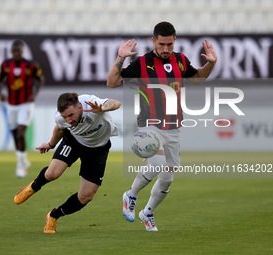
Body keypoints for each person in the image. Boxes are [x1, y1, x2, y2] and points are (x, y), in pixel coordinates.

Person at [107, 21, 217, 231]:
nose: (165, 49)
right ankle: (131, 194)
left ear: (174, 40)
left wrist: (211, 63)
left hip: (173, 126)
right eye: (161, 44)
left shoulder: (181, 60)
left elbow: (197, 79)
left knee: (167, 178)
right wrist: (121, 57)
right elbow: (112, 83)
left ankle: (147, 213)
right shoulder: (142, 63)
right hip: (149, 125)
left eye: (169, 44)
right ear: (153, 41)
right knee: (157, 164)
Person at [13, 92, 121, 233]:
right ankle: (31, 188)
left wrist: (102, 107)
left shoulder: (92, 103)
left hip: (98, 150)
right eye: (65, 117)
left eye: (71, 115)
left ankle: (53, 216)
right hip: (74, 142)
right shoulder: (61, 117)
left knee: (86, 196)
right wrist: (51, 145)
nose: (68, 120)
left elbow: (116, 103)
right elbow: (60, 128)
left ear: (80, 107)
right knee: (53, 173)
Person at [0, 39, 45, 178]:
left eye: (19, 51)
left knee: (21, 133)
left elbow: (40, 79)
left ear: (23, 51)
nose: (16, 53)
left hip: (25, 104)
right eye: (14, 51)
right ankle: (23, 161)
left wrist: (34, 94)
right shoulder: (5, 65)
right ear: (11, 52)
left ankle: (21, 164)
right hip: (11, 104)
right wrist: (0, 94)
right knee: (14, 133)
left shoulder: (31, 65)